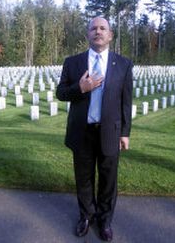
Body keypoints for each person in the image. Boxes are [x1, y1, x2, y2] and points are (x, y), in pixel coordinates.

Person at [56, 17, 133, 242]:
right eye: (93, 28)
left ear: (110, 35)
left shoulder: (124, 64)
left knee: (109, 180)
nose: (98, 31)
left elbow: (126, 101)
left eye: (103, 28)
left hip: (110, 131)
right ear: (88, 34)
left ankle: (105, 221)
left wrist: (125, 132)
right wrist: (80, 88)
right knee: (84, 179)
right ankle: (86, 216)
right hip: (83, 131)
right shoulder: (73, 62)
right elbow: (60, 93)